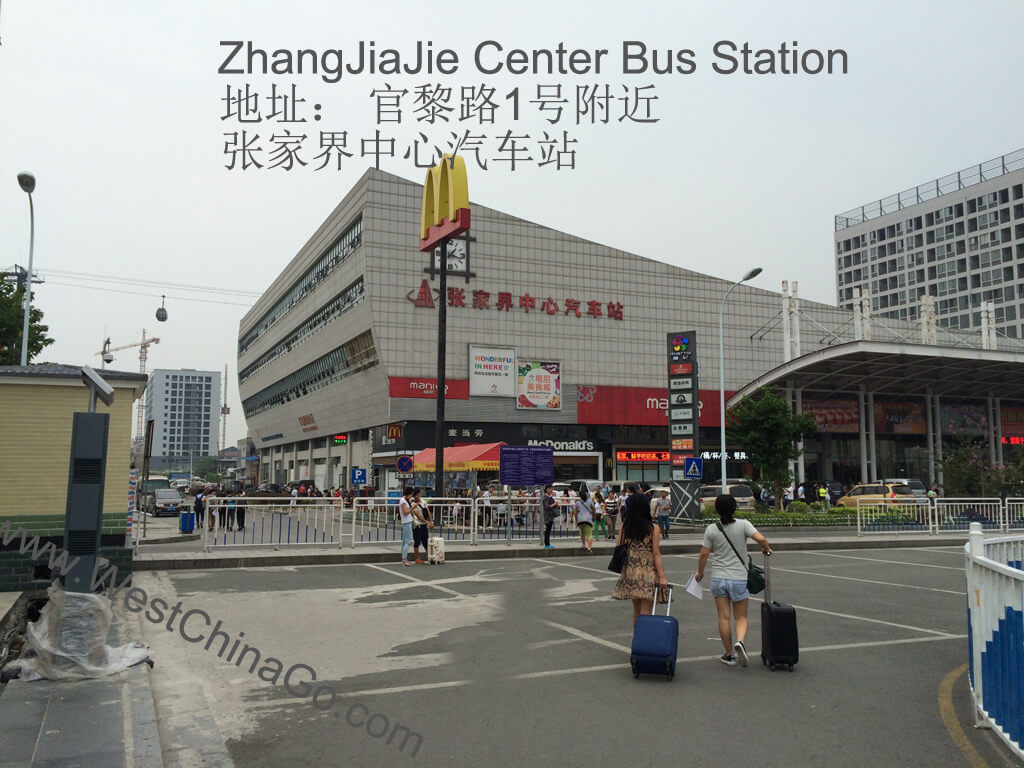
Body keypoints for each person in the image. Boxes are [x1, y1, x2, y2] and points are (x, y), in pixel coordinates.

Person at [695, 494, 772, 667]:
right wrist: (766, 549)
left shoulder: (711, 529)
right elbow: (761, 539)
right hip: (738, 578)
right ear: (734, 509)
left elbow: (704, 553)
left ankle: (729, 654)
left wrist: (700, 573)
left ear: (716, 510)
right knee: (741, 617)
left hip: (718, 578)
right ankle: (740, 642)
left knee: (723, 617)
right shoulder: (744, 524)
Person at [612, 490, 669, 626]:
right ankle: (645, 643)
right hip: (647, 570)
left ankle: (637, 641)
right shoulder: (653, 528)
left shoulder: (625, 527)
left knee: (637, 611)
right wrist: (662, 576)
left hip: (631, 570)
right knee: (646, 612)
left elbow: (619, 546)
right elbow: (656, 553)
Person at [410, 488, 433, 564]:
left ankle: (430, 557)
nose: (416, 496)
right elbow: (418, 515)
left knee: (425, 541)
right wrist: (427, 523)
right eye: (415, 495)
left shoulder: (423, 502)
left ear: (419, 494)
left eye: (417, 495)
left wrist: (431, 521)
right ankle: (417, 559)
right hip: (417, 525)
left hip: (424, 525)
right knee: (417, 542)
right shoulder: (413, 504)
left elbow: (428, 511)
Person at [541, 485, 557, 549]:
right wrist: (554, 504)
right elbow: (547, 507)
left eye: (552, 489)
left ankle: (547, 543)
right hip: (547, 516)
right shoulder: (545, 497)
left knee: (549, 529)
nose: (551, 490)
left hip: (550, 515)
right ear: (547, 489)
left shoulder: (550, 496)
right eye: (550, 489)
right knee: (548, 530)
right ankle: (547, 544)